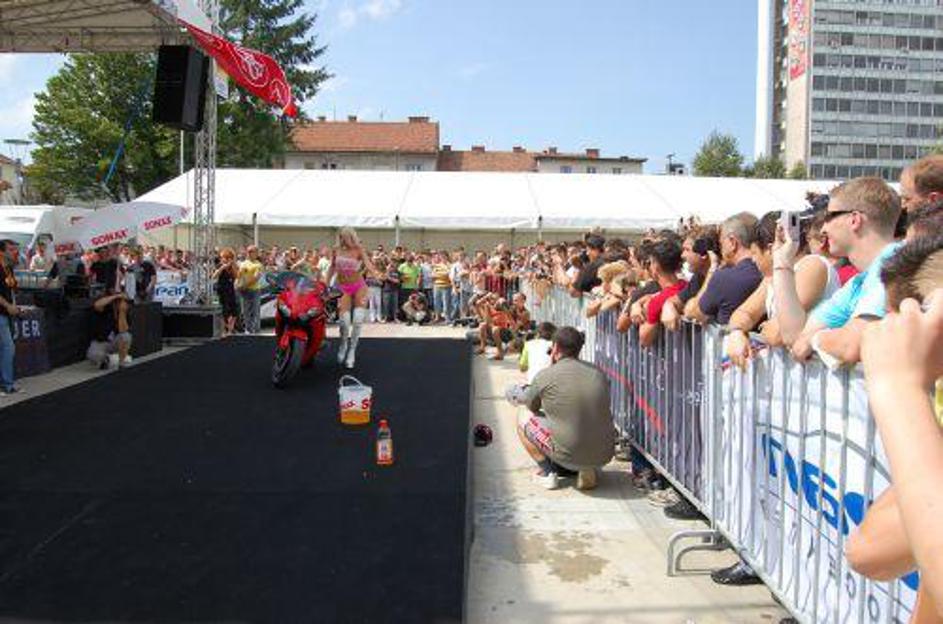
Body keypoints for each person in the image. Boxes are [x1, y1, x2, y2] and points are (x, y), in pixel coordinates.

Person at [790, 177, 902, 366]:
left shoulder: (894, 265)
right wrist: (781, 262)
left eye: (829, 217)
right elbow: (797, 338)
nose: (823, 228)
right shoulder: (859, 281)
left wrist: (816, 339)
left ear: (854, 220)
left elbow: (850, 345)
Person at [511, 326, 614, 491]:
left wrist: (551, 368)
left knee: (523, 415)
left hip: (568, 454)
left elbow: (531, 406)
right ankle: (587, 468)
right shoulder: (597, 372)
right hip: (603, 455)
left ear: (555, 348)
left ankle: (547, 472)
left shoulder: (545, 375)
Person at [684, 213, 763, 325]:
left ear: (732, 242)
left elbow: (693, 312)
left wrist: (713, 268)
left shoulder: (724, 278)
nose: (721, 248)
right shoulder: (770, 274)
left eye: (721, 243)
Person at [327, 227, 378, 369]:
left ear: (352, 237)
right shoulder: (336, 250)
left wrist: (376, 274)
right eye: (342, 237)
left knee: (357, 320)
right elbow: (332, 267)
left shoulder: (358, 249)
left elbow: (368, 264)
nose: (345, 240)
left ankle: (352, 351)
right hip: (343, 288)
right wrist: (326, 283)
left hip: (359, 286)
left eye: (347, 237)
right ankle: (343, 344)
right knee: (344, 321)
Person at [88, 288, 133, 369]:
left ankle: (121, 362)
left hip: (115, 341)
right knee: (93, 355)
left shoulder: (124, 312)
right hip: (102, 341)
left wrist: (122, 313)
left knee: (126, 336)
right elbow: (97, 305)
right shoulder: (106, 307)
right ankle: (106, 360)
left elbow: (123, 330)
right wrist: (116, 296)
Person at [0, 239, 21, 395]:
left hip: (7, 313)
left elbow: (11, 290)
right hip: (2, 313)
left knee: (6, 348)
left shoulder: (8, 268)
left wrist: (14, 306)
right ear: (2, 252)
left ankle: (6, 382)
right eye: (11, 249)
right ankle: (7, 384)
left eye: (15, 249)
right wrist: (8, 306)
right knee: (8, 347)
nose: (15, 252)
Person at [236, 245, 264, 334]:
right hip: (244, 290)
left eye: (253, 251)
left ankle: (256, 330)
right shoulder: (242, 264)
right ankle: (248, 329)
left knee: (255, 310)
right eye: (249, 251)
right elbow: (239, 276)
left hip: (254, 290)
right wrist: (238, 285)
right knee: (246, 310)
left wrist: (244, 285)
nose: (250, 253)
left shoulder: (258, 264)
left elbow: (256, 277)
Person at [212, 247, 239, 337]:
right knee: (224, 311)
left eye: (229, 258)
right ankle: (224, 330)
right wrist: (222, 268)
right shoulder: (220, 266)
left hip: (230, 289)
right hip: (222, 290)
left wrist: (232, 266)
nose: (226, 260)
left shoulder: (233, 266)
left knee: (235, 311)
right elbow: (214, 276)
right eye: (224, 258)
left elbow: (236, 276)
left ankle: (230, 328)